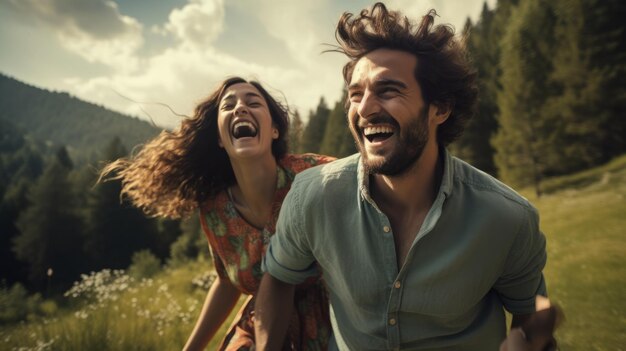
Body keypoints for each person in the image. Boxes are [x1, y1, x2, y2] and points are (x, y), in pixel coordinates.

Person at [255, 3, 555, 350]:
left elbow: (534, 309)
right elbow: (278, 276)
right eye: (355, 94)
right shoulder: (312, 196)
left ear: (440, 108)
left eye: (388, 90)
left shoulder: (508, 218)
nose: (364, 109)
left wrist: (533, 340)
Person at [101, 77, 333, 350]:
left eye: (253, 102)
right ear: (221, 139)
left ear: (274, 130)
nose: (240, 109)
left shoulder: (314, 176)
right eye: (229, 105)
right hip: (260, 327)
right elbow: (227, 283)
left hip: (332, 320)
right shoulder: (215, 209)